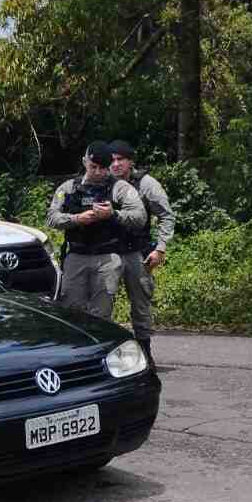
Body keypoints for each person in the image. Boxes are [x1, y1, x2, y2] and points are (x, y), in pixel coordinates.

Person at [47, 142, 147, 320]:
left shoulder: (120, 188)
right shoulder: (68, 188)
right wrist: (77, 219)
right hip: (76, 256)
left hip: (107, 258)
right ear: (84, 161)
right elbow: (51, 218)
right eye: (94, 167)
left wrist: (113, 214)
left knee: (101, 315)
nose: (99, 172)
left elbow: (140, 217)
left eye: (103, 168)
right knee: (71, 312)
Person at [107, 141, 176, 366]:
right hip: (106, 253)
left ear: (130, 161)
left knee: (141, 304)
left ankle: (145, 354)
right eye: (112, 160)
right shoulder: (101, 182)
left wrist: (160, 248)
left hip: (137, 252)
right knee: (101, 305)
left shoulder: (145, 183)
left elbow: (166, 215)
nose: (115, 164)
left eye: (120, 159)